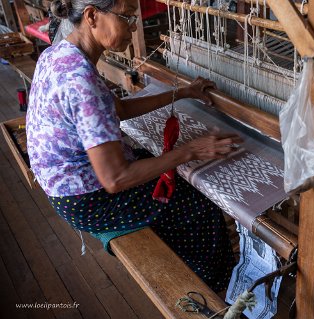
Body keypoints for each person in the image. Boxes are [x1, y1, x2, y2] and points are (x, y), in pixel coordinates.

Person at [26, 0, 242, 292]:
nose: (134, 25)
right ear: (91, 15)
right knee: (201, 205)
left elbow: (120, 110)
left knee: (160, 166)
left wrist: (182, 93)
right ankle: (212, 292)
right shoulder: (80, 81)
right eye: (127, 17)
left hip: (63, 186)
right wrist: (192, 150)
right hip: (87, 200)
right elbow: (116, 179)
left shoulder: (60, 54)